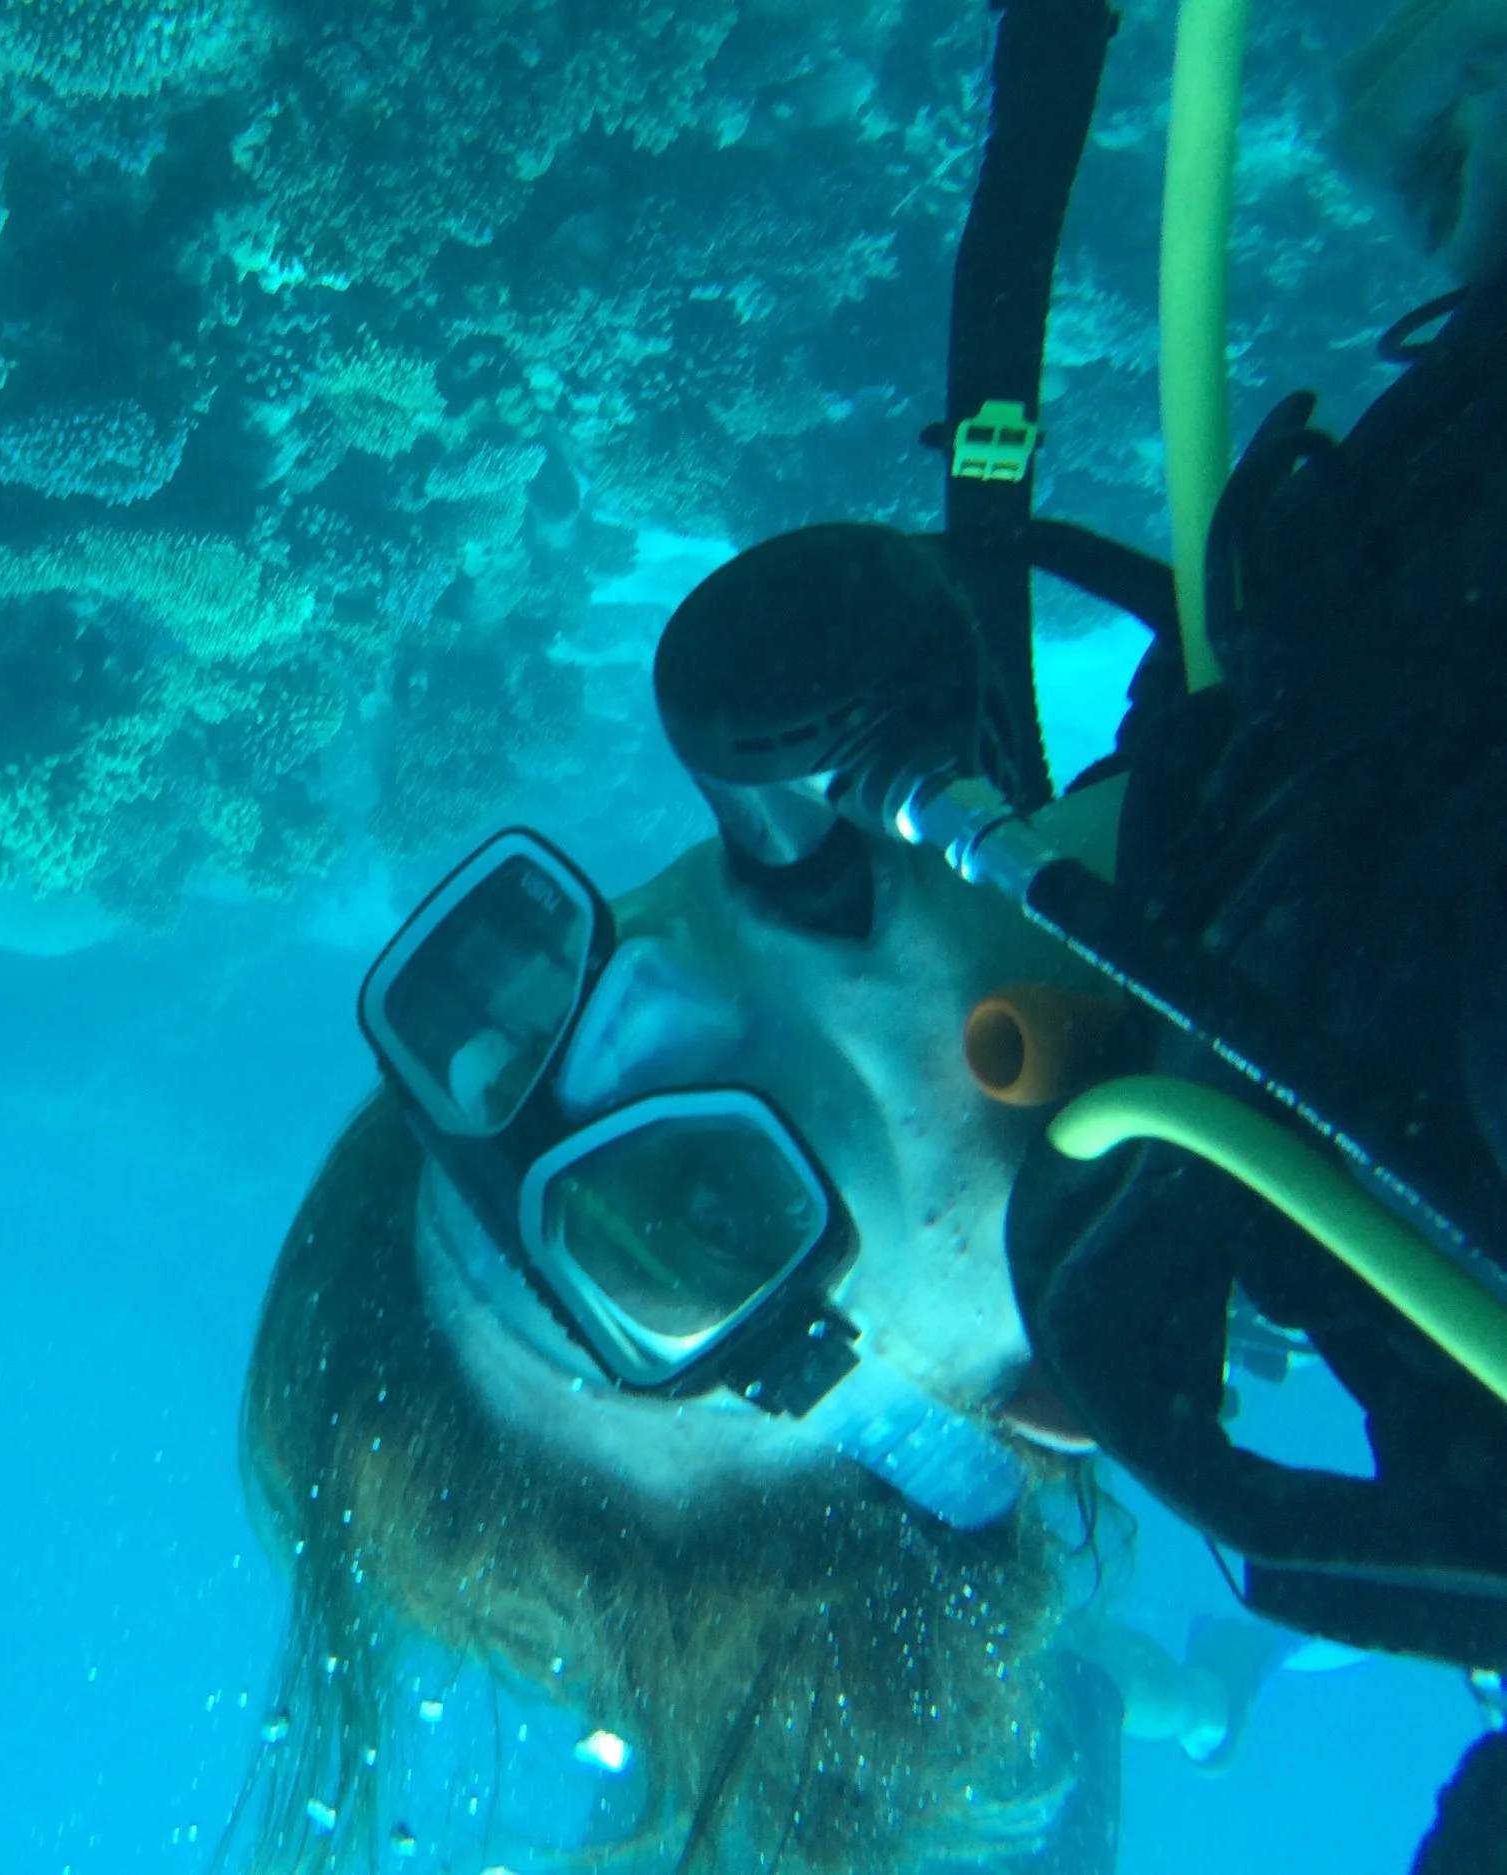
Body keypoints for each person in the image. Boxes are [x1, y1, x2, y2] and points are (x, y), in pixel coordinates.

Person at [227, 0, 1507, 1864]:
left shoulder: (1302, 776)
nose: (653, 978)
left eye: (521, 1008)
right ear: (1037, 1393)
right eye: (680, 1216)